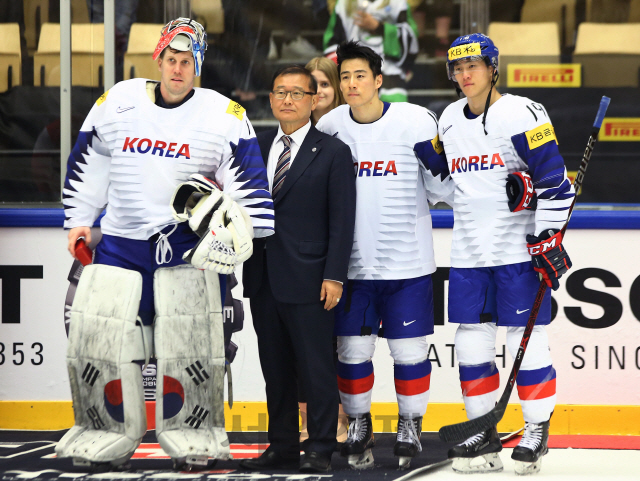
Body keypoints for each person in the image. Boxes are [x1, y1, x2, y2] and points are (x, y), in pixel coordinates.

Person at [56, 18, 273, 471]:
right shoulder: (118, 101)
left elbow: (251, 191)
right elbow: (88, 162)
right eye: (171, 59)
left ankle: (196, 436)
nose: (178, 69)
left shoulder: (224, 114)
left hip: (186, 254)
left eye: (187, 61)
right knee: (101, 346)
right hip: (118, 248)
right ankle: (103, 433)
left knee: (192, 352)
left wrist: (236, 234)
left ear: (198, 65)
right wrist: (78, 221)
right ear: (158, 59)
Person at [422, 33, 573, 475]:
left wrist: (547, 235)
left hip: (516, 250)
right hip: (469, 252)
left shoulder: (522, 112)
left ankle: (535, 429)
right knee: (471, 340)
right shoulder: (449, 118)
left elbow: (555, 180)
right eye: (457, 69)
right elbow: (456, 187)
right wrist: (433, 174)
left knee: (525, 339)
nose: (465, 75)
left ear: (492, 68)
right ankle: (480, 432)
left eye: (473, 66)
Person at [315, 40, 452, 470]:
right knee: (352, 353)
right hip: (351, 269)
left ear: (378, 80)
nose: (352, 84)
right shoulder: (330, 125)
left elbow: (444, 188)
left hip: (408, 266)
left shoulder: (415, 121)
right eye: (346, 77)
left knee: (410, 352)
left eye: (361, 76)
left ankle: (410, 423)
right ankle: (358, 422)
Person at [240, 65, 356, 473]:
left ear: (313, 100)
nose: (287, 99)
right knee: (276, 369)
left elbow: (343, 221)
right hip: (262, 275)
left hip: (311, 279)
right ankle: (283, 445)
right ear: (270, 99)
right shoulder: (253, 148)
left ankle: (321, 446)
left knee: (317, 367)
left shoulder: (333, 152)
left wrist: (334, 276)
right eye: (279, 92)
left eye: (297, 93)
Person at [323, 0, 419, 103]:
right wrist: (342, 69)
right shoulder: (344, 3)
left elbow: (411, 37)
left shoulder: (398, 3)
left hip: (390, 70)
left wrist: (379, 28)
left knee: (395, 109)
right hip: (353, 70)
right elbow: (331, 42)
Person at [306, 56, 346, 125]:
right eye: (312, 84)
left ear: (337, 87)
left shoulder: (351, 124)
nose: (317, 90)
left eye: (324, 84)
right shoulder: (294, 126)